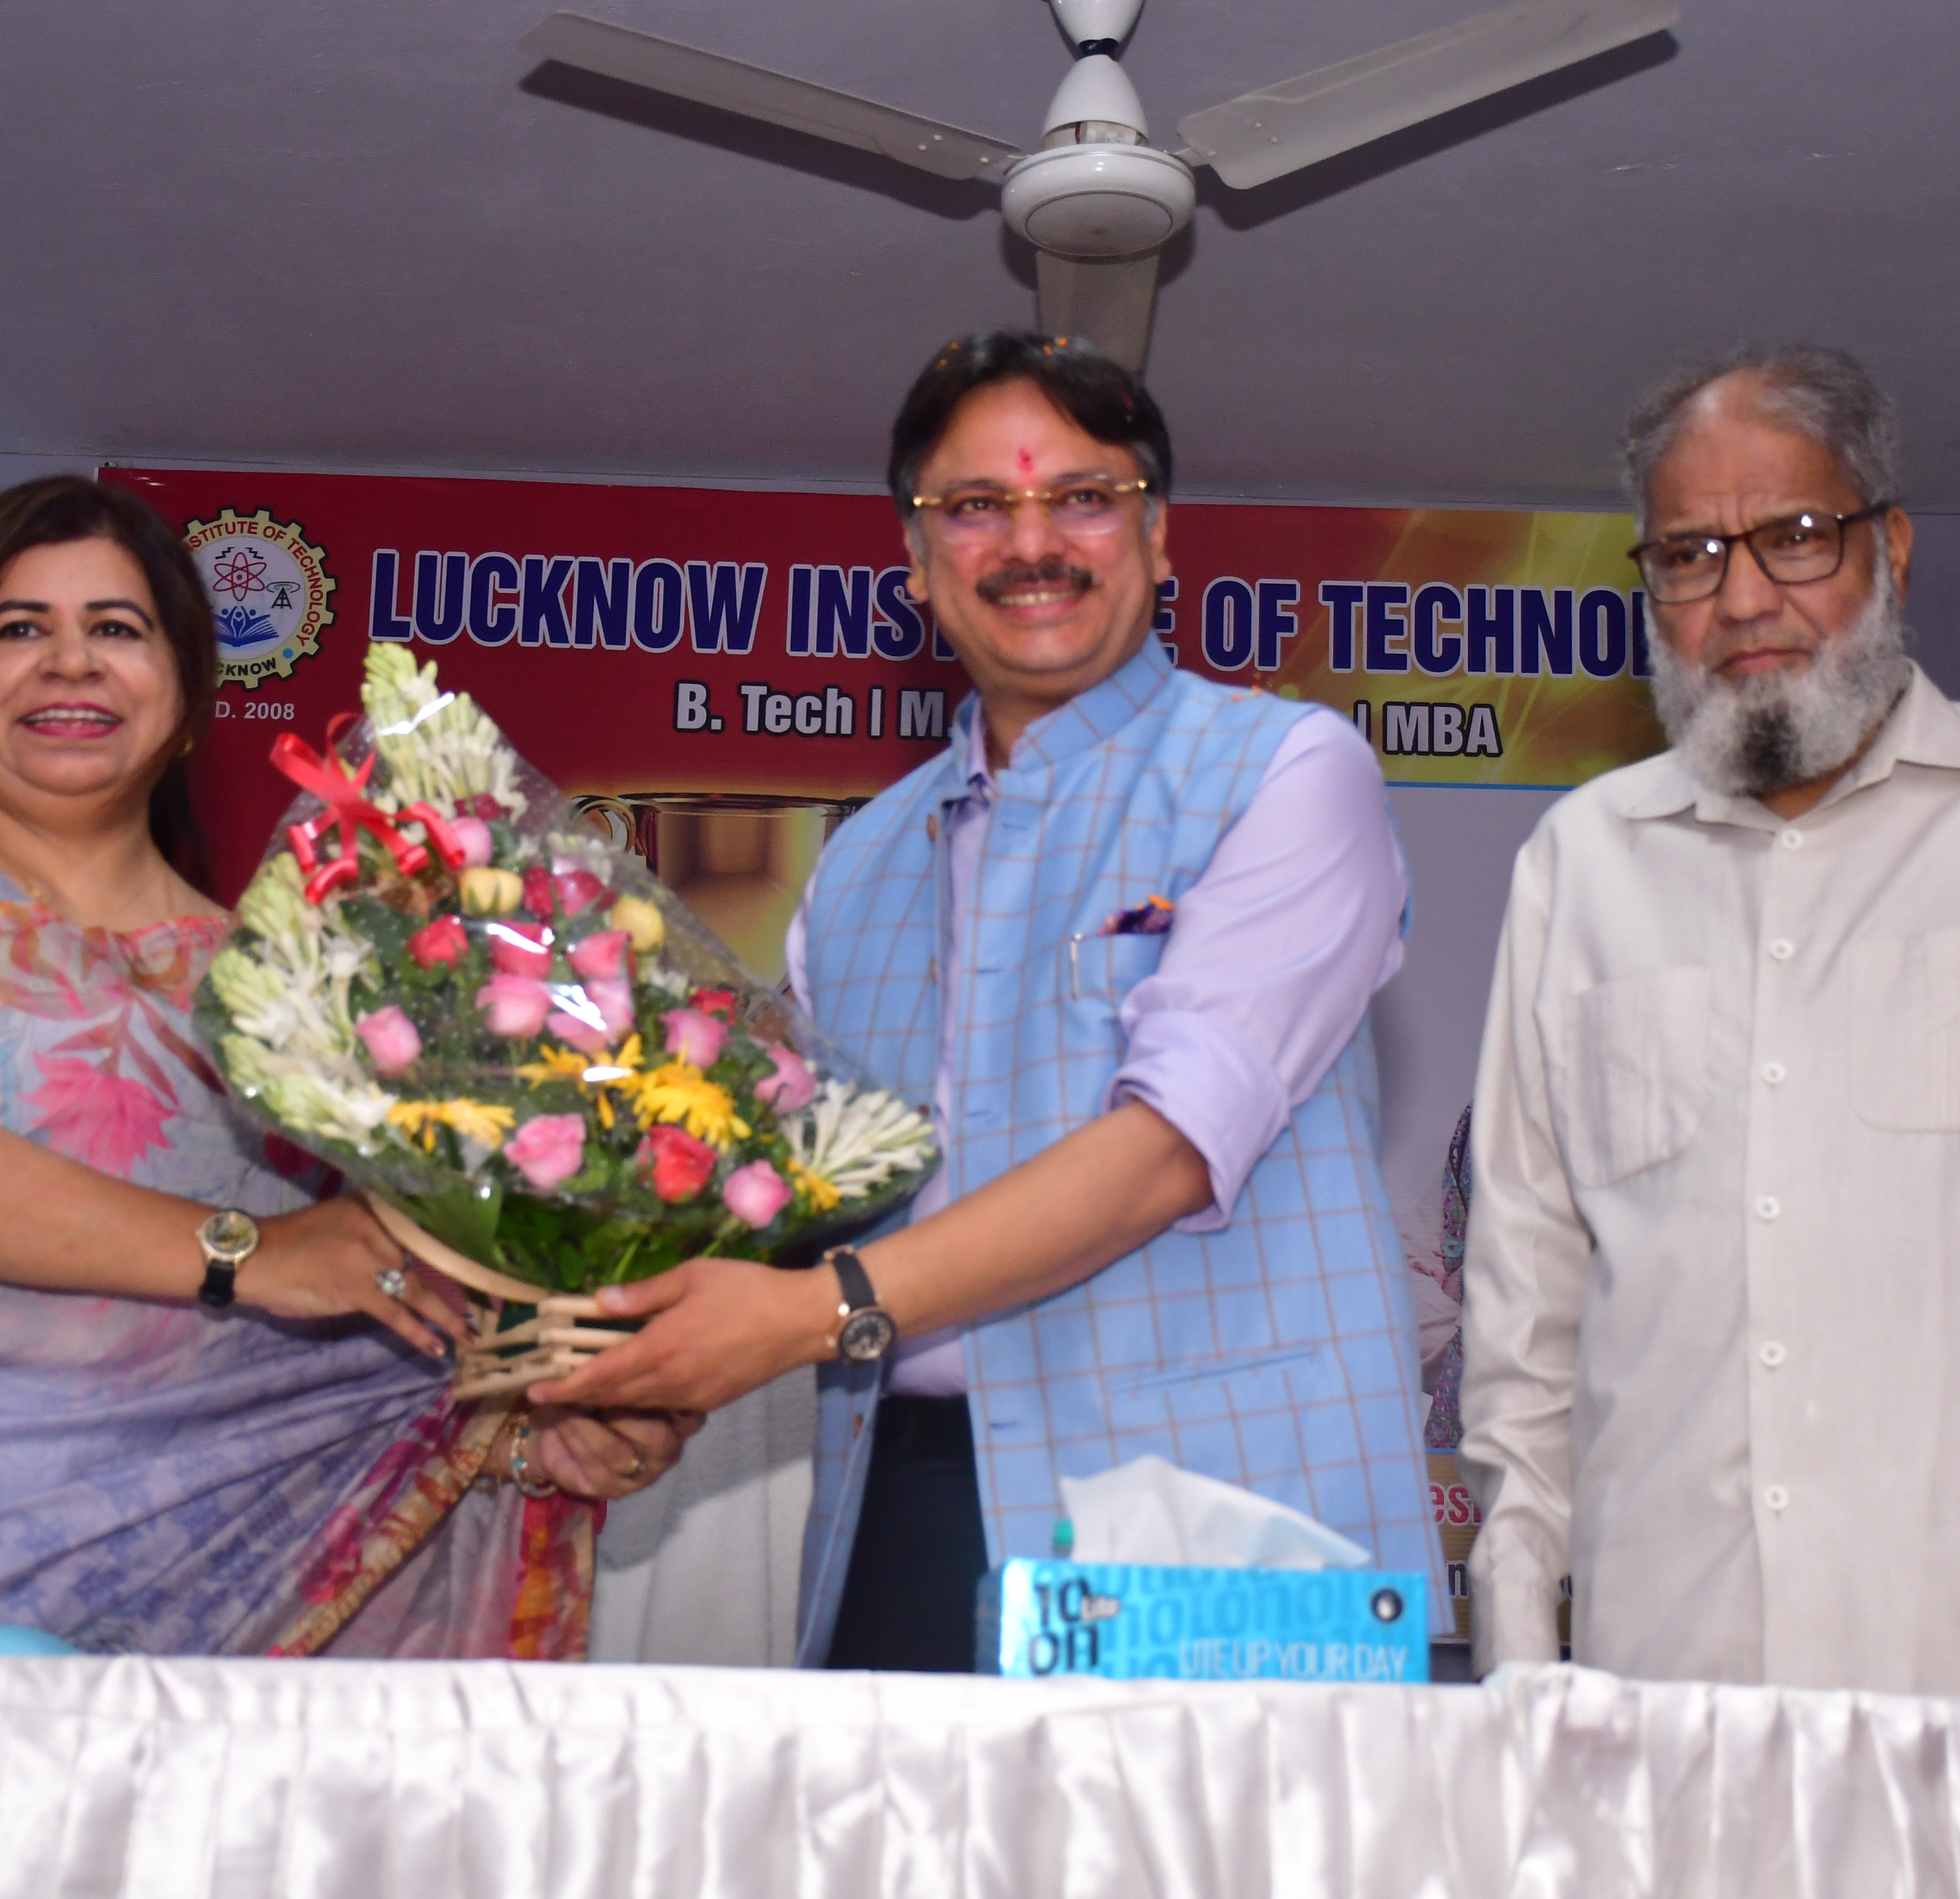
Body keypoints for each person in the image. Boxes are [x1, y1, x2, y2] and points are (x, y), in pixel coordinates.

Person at [0, 475, 686, 1656]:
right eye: (20, 628)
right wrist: (251, 1252)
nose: (71, 662)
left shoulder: (291, 983)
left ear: (183, 703)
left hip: (199, 1603)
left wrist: (539, 1422)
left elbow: (364, 1297)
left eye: (116, 629)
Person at [538, 332, 1439, 1668]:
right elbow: (796, 1205)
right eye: (976, 507)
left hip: (1219, 1523)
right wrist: (652, 1382)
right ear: (916, 559)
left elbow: (1169, 1149)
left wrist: (798, 1313)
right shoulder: (856, 869)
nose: (1034, 542)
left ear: (1160, 535)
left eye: (1084, 495)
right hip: (899, 1503)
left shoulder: (1288, 770)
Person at [1457, 346, 1960, 1703]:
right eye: (1687, 555)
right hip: (1663, 1707)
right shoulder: (1579, 865)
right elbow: (1524, 1317)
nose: (1741, 598)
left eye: (1792, 537)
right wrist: (1515, 1654)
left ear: (1888, 544)